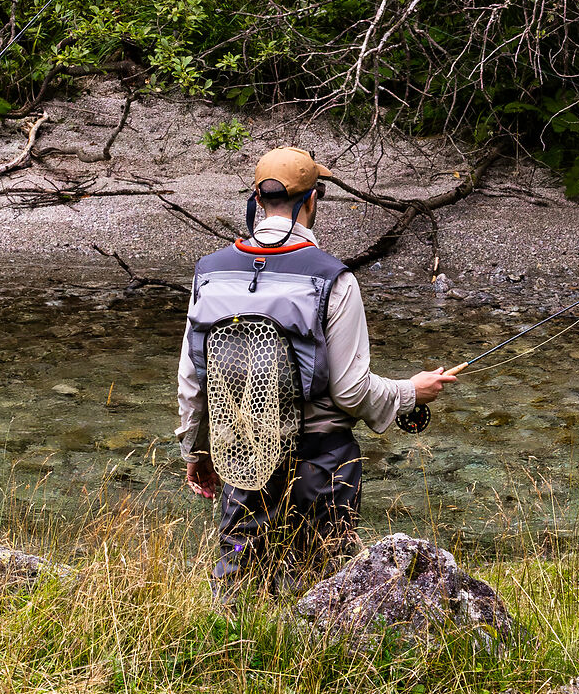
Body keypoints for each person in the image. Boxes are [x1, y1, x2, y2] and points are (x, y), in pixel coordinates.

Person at [176, 147, 460, 593]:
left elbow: (193, 377)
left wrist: (197, 451)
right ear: (312, 201)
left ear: (256, 199)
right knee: (323, 592)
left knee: (238, 583)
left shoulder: (210, 273)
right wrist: (411, 391)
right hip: (321, 463)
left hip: (242, 457)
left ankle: (232, 658)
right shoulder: (333, 278)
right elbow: (350, 391)